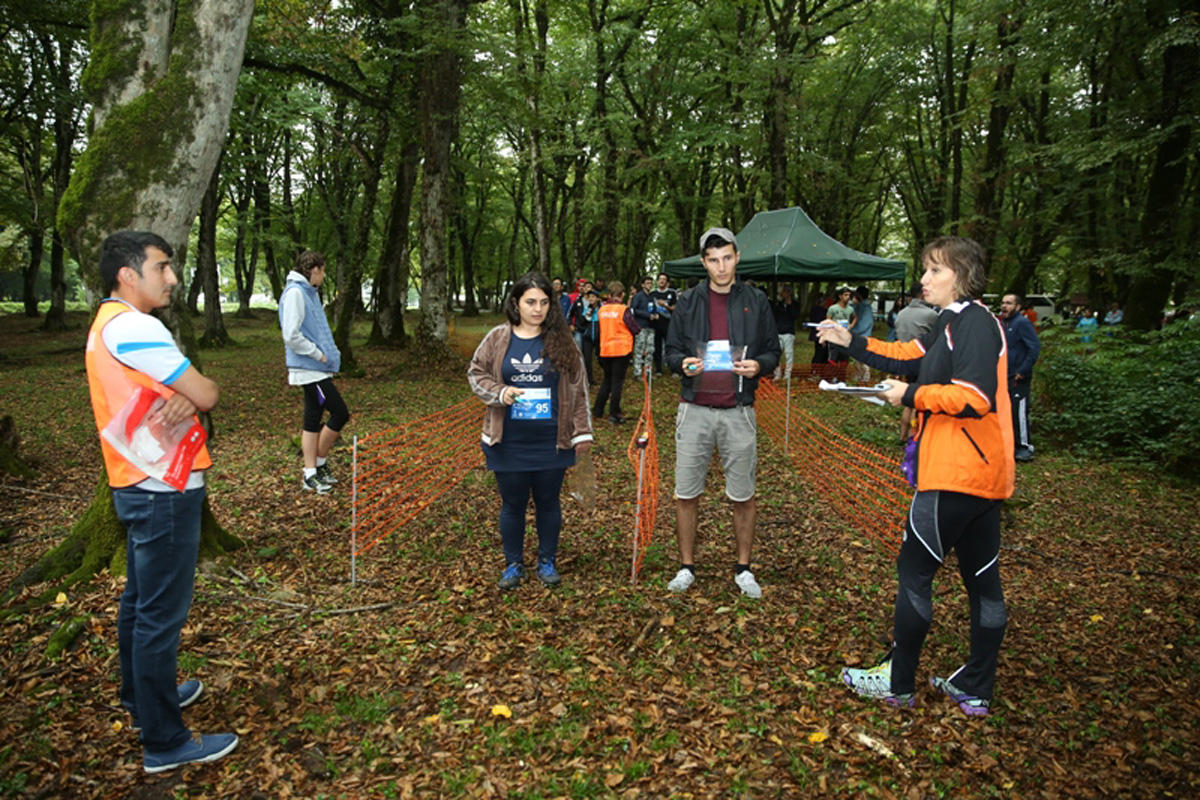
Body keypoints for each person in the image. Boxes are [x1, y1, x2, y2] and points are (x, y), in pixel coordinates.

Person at [818, 235, 1013, 717]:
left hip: (955, 473)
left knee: (915, 574)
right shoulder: (951, 321)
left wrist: (909, 396)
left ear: (962, 276)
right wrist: (851, 342)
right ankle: (975, 687)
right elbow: (909, 356)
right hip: (976, 476)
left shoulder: (975, 323)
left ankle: (898, 681)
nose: (924, 279)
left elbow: (974, 397)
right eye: (925, 269)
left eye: (935, 270)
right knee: (982, 580)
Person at [85, 231, 238, 772]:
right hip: (163, 489)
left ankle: (142, 700)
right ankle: (165, 742)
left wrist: (184, 397)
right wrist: (192, 396)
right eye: (162, 267)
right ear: (128, 275)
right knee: (159, 615)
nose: (172, 278)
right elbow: (207, 393)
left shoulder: (107, 324)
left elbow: (172, 394)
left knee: (139, 603)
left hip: (135, 482)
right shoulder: (136, 326)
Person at [664, 227, 780, 598]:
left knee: (743, 494)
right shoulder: (687, 301)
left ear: (737, 257)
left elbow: (772, 351)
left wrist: (759, 366)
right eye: (713, 260)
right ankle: (686, 567)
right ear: (704, 263)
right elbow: (670, 352)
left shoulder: (756, 300)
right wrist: (683, 364)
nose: (721, 267)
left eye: (727, 258)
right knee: (686, 492)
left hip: (738, 410)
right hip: (694, 409)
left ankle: (744, 569)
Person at [468, 271, 593, 589]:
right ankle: (513, 564)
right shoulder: (497, 338)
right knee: (513, 504)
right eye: (530, 302)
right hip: (508, 440)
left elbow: (578, 389)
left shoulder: (564, 341)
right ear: (516, 303)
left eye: (544, 302)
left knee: (549, 502)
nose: (537, 309)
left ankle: (547, 561)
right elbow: (476, 373)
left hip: (552, 441)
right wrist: (500, 392)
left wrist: (582, 432)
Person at [280, 251, 351, 493]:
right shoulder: (296, 293)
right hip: (310, 372)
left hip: (317, 371)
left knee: (313, 417)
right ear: (315, 269)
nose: (324, 276)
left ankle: (311, 473)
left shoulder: (309, 293)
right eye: (323, 271)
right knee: (340, 413)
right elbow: (291, 334)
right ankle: (317, 464)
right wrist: (316, 353)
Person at [893, 283, 940, 441]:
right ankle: (913, 437)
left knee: (908, 401)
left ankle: (902, 435)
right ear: (922, 294)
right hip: (923, 363)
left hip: (904, 361)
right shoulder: (931, 315)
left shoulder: (901, 313)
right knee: (917, 402)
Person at [999, 293, 1040, 463]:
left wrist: (1023, 370)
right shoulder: (1003, 323)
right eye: (1003, 303)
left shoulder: (1022, 323)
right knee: (1007, 411)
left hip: (1018, 376)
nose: (1004, 306)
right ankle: (1010, 445)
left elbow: (1034, 347)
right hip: (1005, 375)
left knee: (1019, 411)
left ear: (1017, 307)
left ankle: (1024, 447)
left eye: (1009, 303)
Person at [592, 281, 638, 424]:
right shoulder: (623, 310)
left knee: (607, 380)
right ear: (622, 294)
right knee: (617, 382)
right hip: (621, 350)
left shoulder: (602, 310)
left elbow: (598, 330)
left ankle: (598, 410)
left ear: (610, 294)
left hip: (606, 349)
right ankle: (614, 413)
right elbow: (634, 328)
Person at [650, 273, 678, 375]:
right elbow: (649, 307)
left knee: (670, 347)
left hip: (669, 324)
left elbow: (676, 308)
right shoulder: (652, 294)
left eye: (664, 279)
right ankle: (658, 369)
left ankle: (673, 369)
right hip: (655, 325)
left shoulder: (672, 293)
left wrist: (665, 305)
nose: (661, 281)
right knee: (657, 347)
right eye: (660, 279)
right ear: (657, 281)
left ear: (667, 282)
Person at [771, 285, 800, 380]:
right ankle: (777, 374)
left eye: (786, 292)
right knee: (776, 354)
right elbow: (774, 316)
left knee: (789, 354)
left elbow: (795, 315)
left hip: (789, 333)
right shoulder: (778, 304)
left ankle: (787, 375)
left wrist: (790, 304)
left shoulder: (795, 304)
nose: (784, 294)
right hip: (778, 332)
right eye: (783, 292)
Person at [630, 276, 656, 379]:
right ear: (643, 285)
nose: (650, 285)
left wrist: (655, 314)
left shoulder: (651, 296)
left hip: (651, 326)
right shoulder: (638, 296)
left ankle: (647, 372)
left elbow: (653, 308)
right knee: (639, 349)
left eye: (651, 283)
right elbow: (634, 310)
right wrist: (647, 315)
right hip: (641, 326)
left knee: (650, 349)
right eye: (647, 283)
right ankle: (637, 372)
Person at [848, 285, 875, 383]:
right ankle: (859, 376)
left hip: (863, 337)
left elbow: (865, 324)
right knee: (857, 358)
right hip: (859, 336)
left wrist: (851, 331)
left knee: (862, 359)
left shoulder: (865, 307)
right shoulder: (860, 306)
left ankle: (865, 377)